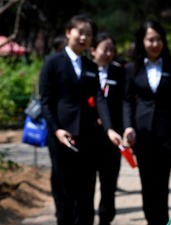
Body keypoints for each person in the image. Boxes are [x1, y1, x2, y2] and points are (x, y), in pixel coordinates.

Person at [39, 14, 122, 225]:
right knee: (64, 188)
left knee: (86, 189)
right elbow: (46, 102)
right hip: (62, 137)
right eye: (80, 32)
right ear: (69, 32)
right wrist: (56, 130)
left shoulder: (91, 67)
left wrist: (109, 129)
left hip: (88, 137)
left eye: (89, 34)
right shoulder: (52, 62)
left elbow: (100, 100)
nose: (84, 37)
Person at [123, 20, 171, 225]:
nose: (155, 44)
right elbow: (127, 101)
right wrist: (128, 126)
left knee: (162, 183)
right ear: (142, 42)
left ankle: (162, 222)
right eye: (150, 39)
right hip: (142, 134)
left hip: (167, 134)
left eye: (158, 39)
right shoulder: (132, 68)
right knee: (147, 184)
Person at [90, 32, 125, 225]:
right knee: (86, 185)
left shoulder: (120, 72)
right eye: (105, 49)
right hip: (88, 137)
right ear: (93, 50)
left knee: (109, 185)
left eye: (112, 49)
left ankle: (106, 219)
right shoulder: (85, 70)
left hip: (112, 139)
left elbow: (125, 102)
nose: (109, 53)